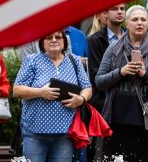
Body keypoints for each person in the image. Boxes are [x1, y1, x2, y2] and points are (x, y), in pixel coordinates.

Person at [96, 5, 148, 161]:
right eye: (135, 19)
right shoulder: (113, 49)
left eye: (143, 19)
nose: (139, 23)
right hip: (118, 119)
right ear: (127, 23)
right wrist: (121, 72)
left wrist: (145, 75)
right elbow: (99, 81)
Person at [13, 30, 92, 162]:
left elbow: (87, 87)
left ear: (64, 42)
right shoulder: (32, 60)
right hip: (34, 133)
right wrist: (40, 92)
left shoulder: (74, 61)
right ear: (42, 43)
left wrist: (81, 99)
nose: (54, 40)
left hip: (65, 134)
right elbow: (16, 90)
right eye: (49, 38)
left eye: (58, 37)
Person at [88, 4, 126, 113]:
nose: (119, 12)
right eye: (115, 9)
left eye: (122, 9)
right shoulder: (96, 40)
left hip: (129, 100)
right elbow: (95, 76)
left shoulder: (131, 36)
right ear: (105, 13)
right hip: (105, 103)